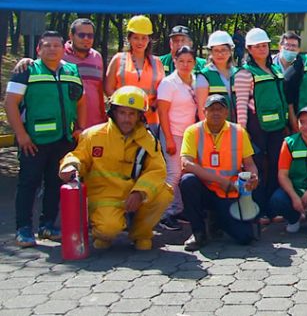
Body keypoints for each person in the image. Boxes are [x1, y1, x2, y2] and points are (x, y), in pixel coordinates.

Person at [58, 86, 172, 250]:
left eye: (132, 114)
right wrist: (70, 165)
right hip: (104, 196)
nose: (127, 119)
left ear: (140, 116)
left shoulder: (148, 140)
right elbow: (79, 156)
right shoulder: (93, 135)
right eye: (122, 113)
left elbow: (157, 170)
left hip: (133, 194)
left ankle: (140, 234)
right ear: (113, 112)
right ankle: (103, 232)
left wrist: (140, 192)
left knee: (164, 193)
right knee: (108, 230)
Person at [6, 31, 87, 246]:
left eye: (56, 45)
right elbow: (10, 103)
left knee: (55, 182)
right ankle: (23, 228)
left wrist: (80, 127)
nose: (52, 49)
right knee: (28, 183)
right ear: (38, 49)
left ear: (63, 49)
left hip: (63, 139)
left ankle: (47, 225)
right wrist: (21, 136)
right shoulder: (26, 71)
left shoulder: (71, 70)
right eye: (47, 46)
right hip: (33, 141)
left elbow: (80, 101)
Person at [179, 95, 259, 251]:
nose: (216, 113)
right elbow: (186, 163)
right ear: (204, 111)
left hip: (229, 192)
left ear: (227, 112)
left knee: (245, 237)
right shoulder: (193, 131)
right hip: (206, 189)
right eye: (211, 109)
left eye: (220, 109)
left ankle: (218, 220)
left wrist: (254, 177)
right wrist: (220, 180)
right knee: (187, 181)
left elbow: (250, 164)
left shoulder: (238, 131)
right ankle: (198, 232)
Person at [233, 28, 290, 225]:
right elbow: (240, 104)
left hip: (277, 127)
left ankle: (273, 209)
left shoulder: (275, 69)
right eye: (257, 46)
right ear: (248, 48)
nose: (262, 49)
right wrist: (243, 132)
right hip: (256, 127)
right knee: (259, 169)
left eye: (264, 45)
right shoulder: (244, 73)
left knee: (276, 166)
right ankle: (258, 210)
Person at [12, 18, 106, 128]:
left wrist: (102, 117)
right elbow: (40, 66)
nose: (86, 39)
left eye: (90, 36)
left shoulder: (97, 57)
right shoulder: (57, 52)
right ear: (71, 35)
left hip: (94, 124)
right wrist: (26, 61)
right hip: (65, 126)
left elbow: (99, 89)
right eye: (81, 35)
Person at [155, 45, 199, 231]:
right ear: (174, 61)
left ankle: (178, 209)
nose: (185, 65)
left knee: (184, 174)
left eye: (189, 61)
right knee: (173, 174)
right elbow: (162, 113)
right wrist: (169, 140)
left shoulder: (196, 81)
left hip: (190, 135)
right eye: (181, 61)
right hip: (172, 133)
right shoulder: (168, 83)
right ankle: (163, 214)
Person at [105, 15, 164, 125]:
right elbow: (108, 87)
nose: (140, 42)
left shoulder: (157, 62)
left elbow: (163, 91)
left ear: (149, 39)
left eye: (144, 38)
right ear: (129, 39)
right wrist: (122, 110)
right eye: (136, 37)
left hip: (149, 119)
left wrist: (151, 109)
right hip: (122, 120)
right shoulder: (118, 59)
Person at [196, 30, 238, 122]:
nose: (220, 54)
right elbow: (201, 109)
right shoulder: (204, 75)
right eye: (216, 50)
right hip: (214, 128)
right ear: (211, 52)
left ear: (230, 51)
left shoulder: (238, 73)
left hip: (236, 127)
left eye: (223, 50)